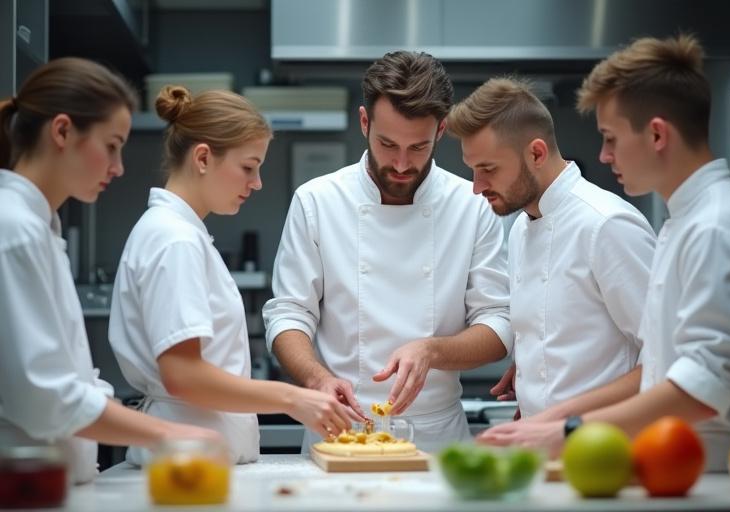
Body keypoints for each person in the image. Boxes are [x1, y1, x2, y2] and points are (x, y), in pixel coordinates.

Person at [475, 35, 730, 472]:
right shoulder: (686, 222)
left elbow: (701, 387)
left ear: (657, 134)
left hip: (715, 475)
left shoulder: (716, 226)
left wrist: (568, 428)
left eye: (610, 138)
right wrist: (550, 413)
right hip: (677, 469)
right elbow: (660, 369)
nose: (604, 154)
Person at [262, 51, 513, 453]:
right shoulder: (317, 201)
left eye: (418, 147)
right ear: (365, 122)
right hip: (340, 430)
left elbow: (498, 323)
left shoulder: (471, 205)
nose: (400, 163)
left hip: (436, 438)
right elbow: (289, 313)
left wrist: (432, 350)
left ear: (441, 130)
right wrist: (316, 378)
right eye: (387, 143)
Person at [0, 57, 220, 484]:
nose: (118, 167)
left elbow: (72, 380)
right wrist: (169, 434)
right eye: (112, 145)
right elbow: (43, 397)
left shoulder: (38, 229)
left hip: (52, 485)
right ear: (62, 132)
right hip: (21, 487)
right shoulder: (15, 230)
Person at [108, 85, 352, 466]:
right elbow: (183, 375)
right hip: (185, 463)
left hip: (198, 459)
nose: (257, 183)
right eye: (248, 167)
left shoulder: (181, 233)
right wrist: (292, 398)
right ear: (203, 158)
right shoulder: (175, 239)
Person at [446, 77, 656, 426]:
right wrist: (533, 380)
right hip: (543, 442)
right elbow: (564, 336)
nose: (477, 187)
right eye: (473, 170)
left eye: (489, 169)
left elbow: (664, 361)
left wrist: (561, 416)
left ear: (537, 154)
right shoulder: (520, 228)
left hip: (605, 442)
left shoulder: (606, 225)